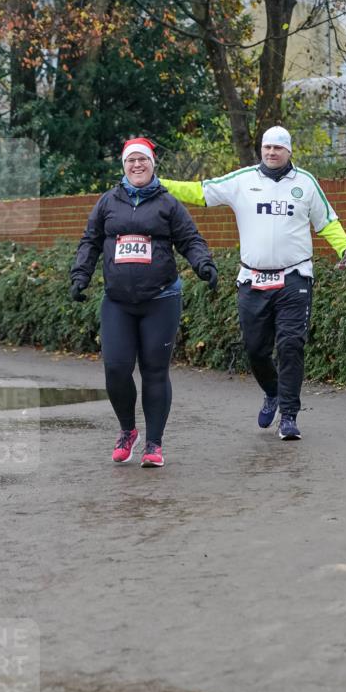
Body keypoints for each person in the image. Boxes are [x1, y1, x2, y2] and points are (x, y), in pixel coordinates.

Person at [161, 126, 346, 441]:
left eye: (278, 148)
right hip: (252, 280)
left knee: (291, 345)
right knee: (255, 349)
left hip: (295, 278)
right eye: (267, 148)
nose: (271, 153)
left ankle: (289, 417)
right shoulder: (243, 180)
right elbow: (200, 191)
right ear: (261, 150)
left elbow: (327, 221)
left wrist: (345, 248)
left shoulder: (305, 183)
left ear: (289, 151)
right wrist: (159, 184)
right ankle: (272, 391)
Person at [70, 137, 217, 468]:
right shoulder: (108, 202)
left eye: (143, 160)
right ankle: (127, 430)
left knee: (154, 370)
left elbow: (190, 239)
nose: (137, 165)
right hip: (118, 301)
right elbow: (90, 241)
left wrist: (203, 264)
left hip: (161, 299)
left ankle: (154, 443)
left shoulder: (168, 204)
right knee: (116, 369)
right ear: (123, 166)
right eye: (131, 161)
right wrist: (80, 276)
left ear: (153, 164)